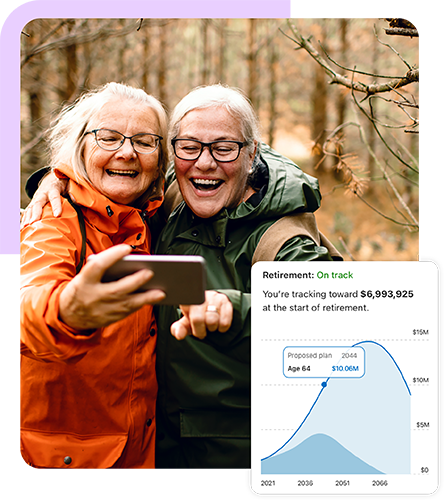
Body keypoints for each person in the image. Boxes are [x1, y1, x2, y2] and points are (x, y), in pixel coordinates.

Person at [23, 84, 339, 469]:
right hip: (128, 451)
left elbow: (336, 322)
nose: (205, 163)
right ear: (173, 155)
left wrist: (238, 310)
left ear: (251, 151)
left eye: (223, 148)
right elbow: (30, 298)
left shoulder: (281, 240)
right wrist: (55, 180)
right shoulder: (161, 207)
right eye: (190, 147)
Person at [20, 82, 169, 469]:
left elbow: (233, 149)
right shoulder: (52, 219)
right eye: (109, 137)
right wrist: (68, 312)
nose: (127, 152)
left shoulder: (157, 216)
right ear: (80, 146)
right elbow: (29, 299)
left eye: (145, 141)